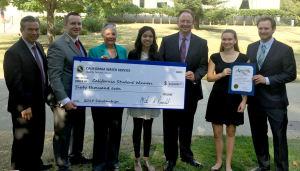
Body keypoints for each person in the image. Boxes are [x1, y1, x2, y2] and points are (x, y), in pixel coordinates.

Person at [159, 9, 208, 171]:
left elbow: (204, 66)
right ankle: (170, 159)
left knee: (187, 126)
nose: (185, 24)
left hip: (190, 92)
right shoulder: (167, 41)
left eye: (188, 21)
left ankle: (187, 156)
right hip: (170, 93)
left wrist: (195, 75)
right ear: (177, 22)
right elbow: (161, 63)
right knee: (170, 126)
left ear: (193, 23)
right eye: (182, 21)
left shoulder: (202, 43)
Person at [247, 16, 296, 171]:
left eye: (266, 28)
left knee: (279, 137)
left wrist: (267, 80)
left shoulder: (285, 49)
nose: (263, 31)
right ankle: (264, 165)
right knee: (258, 135)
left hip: (276, 101)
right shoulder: (251, 47)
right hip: (255, 102)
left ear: (273, 29)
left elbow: (291, 74)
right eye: (260, 28)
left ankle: (281, 169)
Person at [3, 16, 52, 170]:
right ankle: (18, 167)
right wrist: (24, 106)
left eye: (37, 29)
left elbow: (42, 74)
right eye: (30, 29)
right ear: (21, 30)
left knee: (37, 137)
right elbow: (13, 83)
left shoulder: (38, 47)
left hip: (38, 101)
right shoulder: (13, 52)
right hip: (24, 106)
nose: (34, 32)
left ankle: (35, 163)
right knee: (22, 140)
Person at [47, 12, 91, 171]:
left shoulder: (78, 43)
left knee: (78, 129)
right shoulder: (57, 45)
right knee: (63, 134)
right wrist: (64, 100)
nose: (77, 27)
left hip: (78, 97)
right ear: (65, 25)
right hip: (63, 98)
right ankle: (62, 165)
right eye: (73, 24)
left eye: (79, 23)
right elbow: (54, 76)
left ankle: (76, 156)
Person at [206, 29, 249, 171]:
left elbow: (246, 83)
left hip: (234, 100)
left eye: (230, 39)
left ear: (235, 40)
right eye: (224, 39)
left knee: (231, 132)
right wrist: (222, 74)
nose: (227, 42)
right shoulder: (215, 57)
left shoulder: (244, 58)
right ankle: (218, 162)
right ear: (221, 40)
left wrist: (244, 102)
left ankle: (228, 164)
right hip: (217, 98)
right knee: (217, 133)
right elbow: (209, 77)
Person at [88, 23, 127, 171]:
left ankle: (112, 163)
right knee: (101, 131)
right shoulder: (94, 51)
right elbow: (90, 72)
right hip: (99, 98)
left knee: (115, 131)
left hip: (118, 97)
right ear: (103, 35)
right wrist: (100, 63)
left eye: (114, 34)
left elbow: (126, 71)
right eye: (108, 34)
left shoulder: (123, 50)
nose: (111, 36)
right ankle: (98, 164)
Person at [127, 26, 161, 171]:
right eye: (145, 36)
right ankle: (137, 160)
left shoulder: (158, 56)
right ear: (140, 38)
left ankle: (146, 159)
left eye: (150, 36)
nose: (147, 39)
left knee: (148, 128)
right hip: (136, 97)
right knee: (137, 127)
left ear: (154, 39)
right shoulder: (133, 54)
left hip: (152, 97)